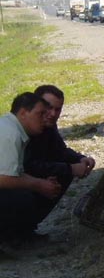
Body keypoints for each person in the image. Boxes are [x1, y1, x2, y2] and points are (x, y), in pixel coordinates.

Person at [0, 93, 62, 242]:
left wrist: (42, 183)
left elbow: (16, 173)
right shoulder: (10, 133)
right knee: (21, 198)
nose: (44, 118)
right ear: (23, 113)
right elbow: (3, 178)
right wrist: (38, 184)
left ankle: (19, 234)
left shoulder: (11, 128)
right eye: (40, 114)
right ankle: (11, 237)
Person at [25, 84, 95, 187]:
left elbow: (60, 150)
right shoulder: (24, 128)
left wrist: (79, 158)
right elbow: (28, 166)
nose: (53, 114)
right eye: (49, 107)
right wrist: (71, 169)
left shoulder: (49, 125)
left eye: (57, 109)